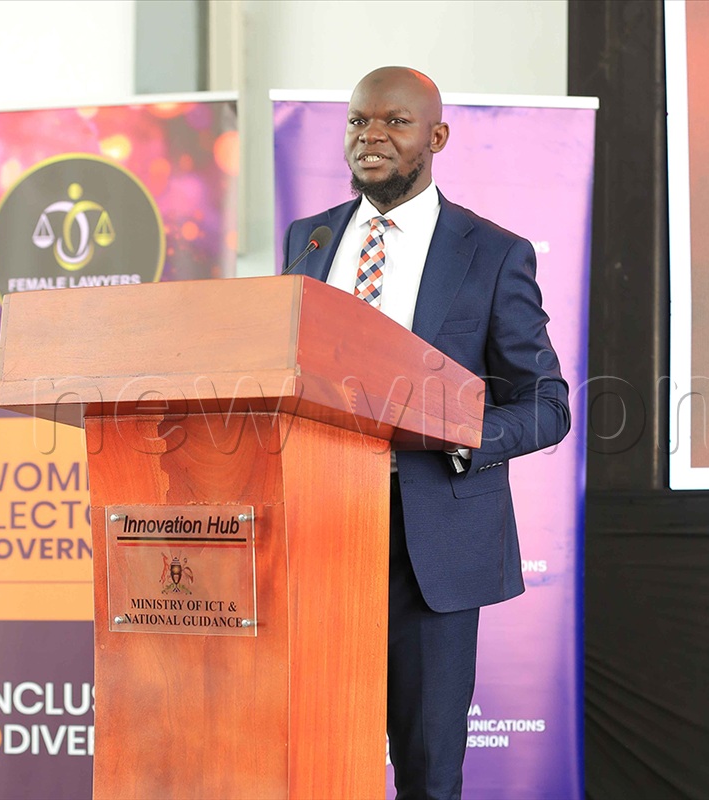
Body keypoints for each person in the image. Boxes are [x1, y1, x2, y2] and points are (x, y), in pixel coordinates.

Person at [281, 67, 571, 799]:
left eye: (393, 122)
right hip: (316, 533)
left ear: (435, 137)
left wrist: (457, 433)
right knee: (314, 754)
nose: (370, 136)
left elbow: (546, 403)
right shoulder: (308, 237)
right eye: (356, 122)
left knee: (427, 768)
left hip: (429, 542)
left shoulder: (493, 252)